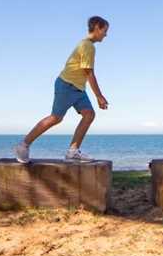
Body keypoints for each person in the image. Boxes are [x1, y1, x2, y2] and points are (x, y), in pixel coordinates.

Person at [14, 16, 110, 163]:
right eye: (105, 30)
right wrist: (99, 96)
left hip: (78, 88)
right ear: (97, 27)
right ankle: (23, 145)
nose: (106, 34)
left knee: (89, 114)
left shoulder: (89, 46)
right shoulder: (87, 46)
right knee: (56, 118)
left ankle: (73, 151)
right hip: (67, 85)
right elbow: (89, 72)